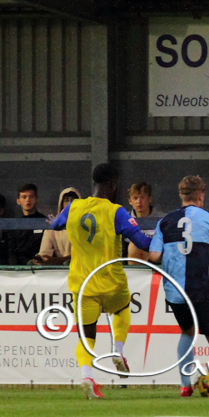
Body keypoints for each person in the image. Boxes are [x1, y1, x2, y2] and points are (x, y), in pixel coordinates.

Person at [51, 163, 151, 399]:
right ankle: (117, 350)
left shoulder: (73, 207)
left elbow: (56, 224)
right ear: (113, 184)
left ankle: (87, 376)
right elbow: (143, 243)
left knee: (86, 335)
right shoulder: (116, 212)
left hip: (82, 284)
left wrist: (57, 220)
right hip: (111, 281)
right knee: (122, 309)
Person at [146, 175, 209, 398]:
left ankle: (185, 385)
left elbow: (154, 256)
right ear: (200, 195)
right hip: (200, 287)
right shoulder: (208, 218)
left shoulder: (164, 222)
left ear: (180, 195)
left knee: (187, 332)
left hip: (175, 291)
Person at [31, 187, 79, 265]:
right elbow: (45, 251)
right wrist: (41, 258)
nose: (69, 204)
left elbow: (82, 254)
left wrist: (58, 260)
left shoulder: (85, 225)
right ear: (61, 204)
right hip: (58, 269)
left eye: (73, 200)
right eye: (66, 200)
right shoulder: (52, 227)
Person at [7, 183, 45, 265]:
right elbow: (11, 250)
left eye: (31, 197)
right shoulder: (14, 224)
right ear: (18, 201)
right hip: (17, 266)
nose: (28, 200)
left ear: (37, 199)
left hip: (38, 265)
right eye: (24, 197)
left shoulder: (44, 222)